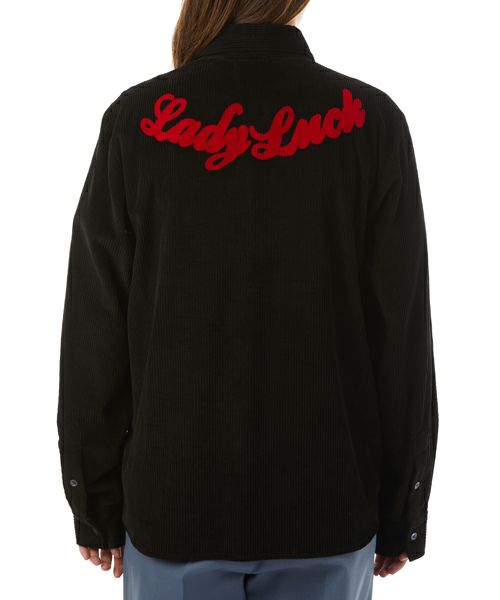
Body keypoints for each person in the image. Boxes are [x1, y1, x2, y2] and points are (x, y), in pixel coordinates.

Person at [56, 1, 439, 599]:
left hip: (175, 509)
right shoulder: (372, 121)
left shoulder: (137, 120)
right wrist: (403, 508)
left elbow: (94, 328)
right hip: (327, 509)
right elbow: (402, 337)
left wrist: (93, 499)